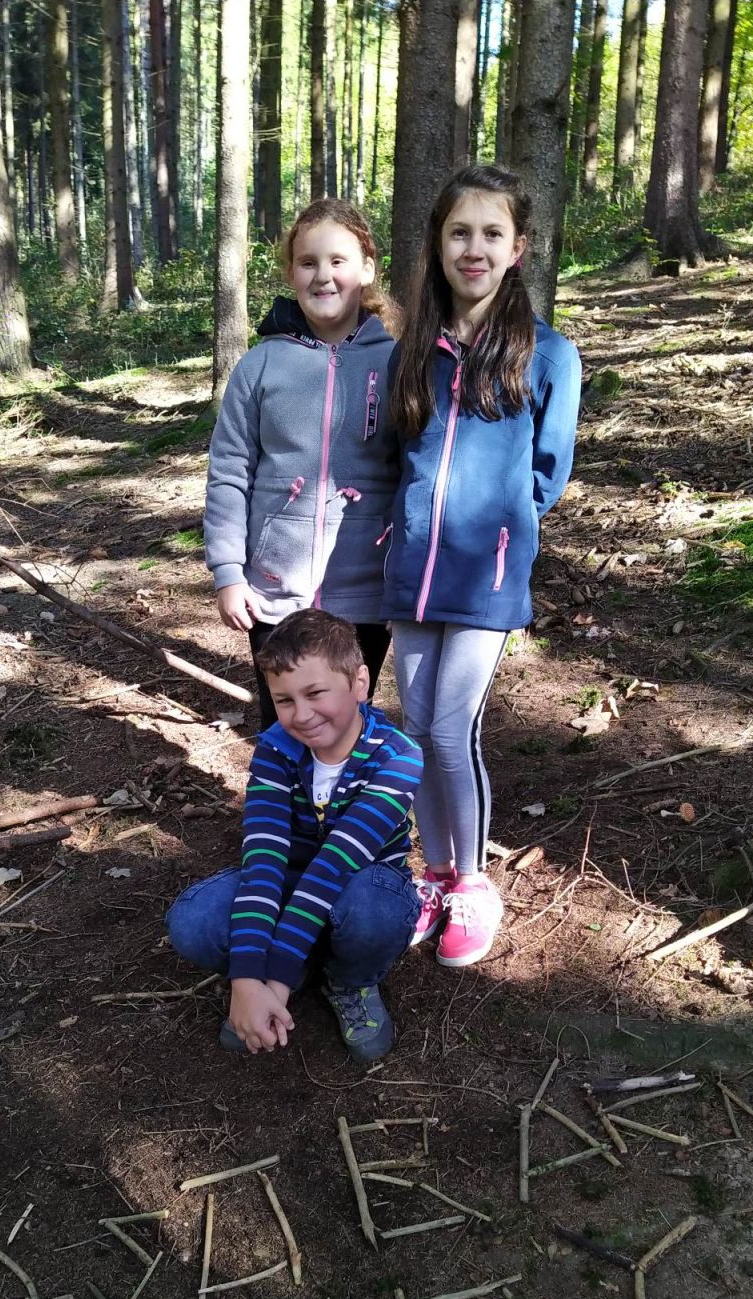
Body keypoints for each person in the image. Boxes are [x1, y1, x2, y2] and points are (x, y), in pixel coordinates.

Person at [383, 164, 582, 969]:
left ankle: (472, 884)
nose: (474, 248)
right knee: (413, 728)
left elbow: (547, 475)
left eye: (491, 233)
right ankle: (433, 876)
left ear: (518, 248)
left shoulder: (550, 355)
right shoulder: (414, 349)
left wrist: (501, 535)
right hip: (411, 570)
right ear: (438, 243)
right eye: (459, 232)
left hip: (486, 578)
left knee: (449, 728)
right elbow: (398, 454)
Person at [166, 609, 423, 1063]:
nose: (301, 715)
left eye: (315, 693)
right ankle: (291, 968)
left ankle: (349, 981)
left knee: (377, 910)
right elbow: (263, 862)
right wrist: (248, 979)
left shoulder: (398, 757)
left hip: (359, 886)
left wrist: (274, 983)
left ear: (359, 683)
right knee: (193, 921)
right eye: (283, 700)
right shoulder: (274, 751)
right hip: (288, 884)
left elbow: (334, 867)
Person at [204, 198, 399, 731]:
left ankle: (342, 791)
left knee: (345, 724)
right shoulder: (260, 365)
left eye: (338, 261)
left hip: (367, 590)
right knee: (285, 724)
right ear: (291, 273)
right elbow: (229, 470)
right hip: (272, 590)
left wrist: (403, 586)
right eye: (308, 262)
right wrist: (228, 573)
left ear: (367, 268)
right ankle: (280, 789)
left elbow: (413, 477)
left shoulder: (397, 363)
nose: (323, 276)